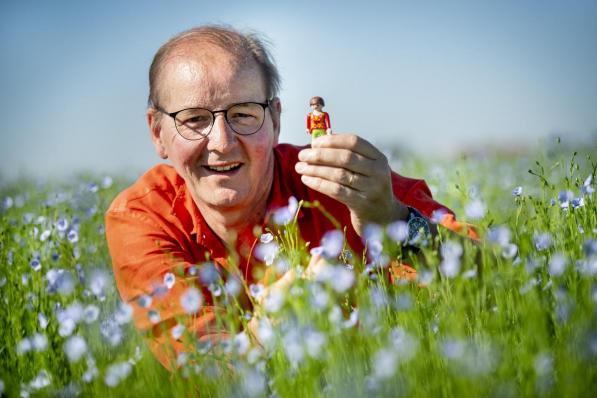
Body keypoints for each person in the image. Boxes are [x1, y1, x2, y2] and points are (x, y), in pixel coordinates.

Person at [105, 25, 475, 371]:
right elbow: (208, 372)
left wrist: (392, 220)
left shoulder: (340, 182)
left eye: (243, 114)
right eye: (195, 120)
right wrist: (275, 323)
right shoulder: (141, 217)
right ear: (157, 132)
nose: (221, 142)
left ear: (275, 120)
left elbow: (493, 278)